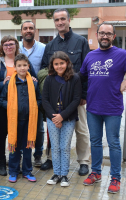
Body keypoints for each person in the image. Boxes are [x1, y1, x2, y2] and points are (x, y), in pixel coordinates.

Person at [80, 23, 126, 193]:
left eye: (108, 34)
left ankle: (116, 178)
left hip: (112, 108)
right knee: (95, 142)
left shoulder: (122, 55)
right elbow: (82, 76)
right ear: (97, 34)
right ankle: (96, 173)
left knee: (113, 143)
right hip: (93, 108)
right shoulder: (90, 56)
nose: (105, 36)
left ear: (113, 36)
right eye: (102, 33)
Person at [40, 8, 90, 176]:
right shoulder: (50, 46)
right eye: (57, 20)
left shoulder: (81, 41)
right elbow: (44, 70)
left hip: (77, 98)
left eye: (63, 19)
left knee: (81, 129)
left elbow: (86, 69)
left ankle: (83, 161)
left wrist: (83, 94)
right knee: (53, 127)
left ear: (69, 20)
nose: (60, 22)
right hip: (56, 99)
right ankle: (52, 158)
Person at [0, 35, 37, 176]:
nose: (8, 47)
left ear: (16, 45)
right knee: (1, 136)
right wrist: (2, 83)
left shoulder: (23, 61)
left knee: (20, 136)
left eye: (11, 44)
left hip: (22, 109)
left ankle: (17, 163)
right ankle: (2, 163)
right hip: (3, 107)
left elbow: (32, 79)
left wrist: (32, 79)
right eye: (5, 44)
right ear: (2, 48)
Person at [0, 53, 42, 183]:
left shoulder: (33, 83)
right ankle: (13, 171)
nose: (22, 68)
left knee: (27, 147)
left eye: (25, 65)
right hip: (15, 121)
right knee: (14, 148)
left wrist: (33, 106)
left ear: (28, 66)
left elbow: (39, 99)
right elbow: (2, 100)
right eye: (19, 66)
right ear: (15, 67)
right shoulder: (10, 83)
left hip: (29, 121)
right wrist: (12, 107)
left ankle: (27, 171)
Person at [43, 51, 81, 187]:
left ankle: (64, 175)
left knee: (65, 147)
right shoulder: (49, 79)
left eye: (62, 63)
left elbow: (76, 99)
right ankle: (56, 174)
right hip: (52, 119)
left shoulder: (75, 78)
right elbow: (45, 99)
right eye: (56, 64)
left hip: (68, 119)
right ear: (52, 65)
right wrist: (55, 117)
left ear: (67, 63)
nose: (59, 66)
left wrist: (62, 116)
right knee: (55, 147)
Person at [19, 21, 46, 167]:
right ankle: (21, 153)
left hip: (37, 93)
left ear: (35, 30)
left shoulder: (43, 48)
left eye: (31, 28)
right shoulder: (15, 48)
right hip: (19, 93)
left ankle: (38, 155)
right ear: (21, 31)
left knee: (39, 128)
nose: (28, 30)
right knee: (20, 125)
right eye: (25, 28)